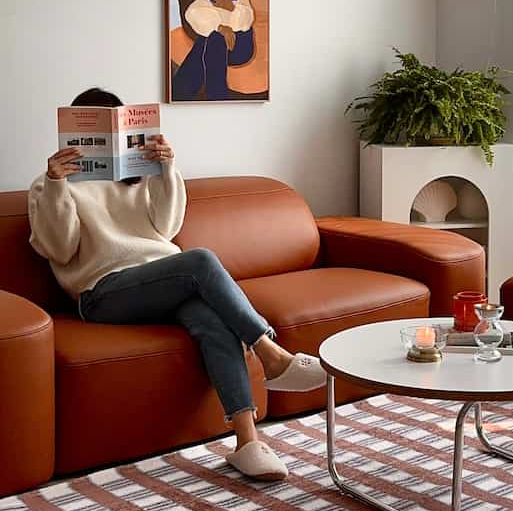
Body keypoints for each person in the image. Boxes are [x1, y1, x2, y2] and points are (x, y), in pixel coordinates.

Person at [28, 88, 325, 482]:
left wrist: (167, 169)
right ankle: (269, 353)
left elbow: (167, 228)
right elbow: (60, 249)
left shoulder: (140, 177)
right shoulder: (50, 185)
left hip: (164, 282)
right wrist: (55, 184)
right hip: (102, 294)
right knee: (200, 260)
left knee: (211, 320)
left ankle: (247, 442)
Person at [172, 0, 255, 101]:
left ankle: (183, 91)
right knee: (213, 39)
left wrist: (231, 9)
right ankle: (206, 94)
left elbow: (247, 19)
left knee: (211, 40)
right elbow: (192, 13)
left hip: (239, 46)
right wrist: (219, 27)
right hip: (217, 43)